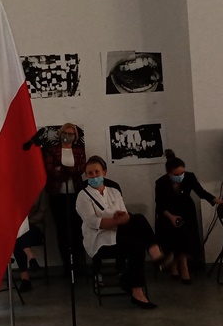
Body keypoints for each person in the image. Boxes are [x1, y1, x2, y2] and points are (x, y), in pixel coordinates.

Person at [76, 155, 172, 309]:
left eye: (97, 172)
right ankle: (146, 271)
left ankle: (136, 286)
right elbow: (93, 222)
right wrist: (115, 220)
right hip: (100, 241)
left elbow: (125, 215)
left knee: (138, 220)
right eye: (90, 173)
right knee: (137, 244)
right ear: (86, 176)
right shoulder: (83, 196)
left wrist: (120, 217)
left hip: (120, 233)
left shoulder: (114, 191)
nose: (94, 176)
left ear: (104, 172)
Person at [154, 149, 223, 283]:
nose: (180, 176)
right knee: (171, 238)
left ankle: (184, 268)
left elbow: (201, 192)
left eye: (182, 173)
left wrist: (218, 201)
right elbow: (160, 204)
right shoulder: (161, 182)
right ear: (168, 173)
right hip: (168, 213)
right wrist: (171, 217)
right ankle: (174, 266)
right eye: (176, 174)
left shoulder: (189, 177)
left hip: (186, 210)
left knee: (184, 237)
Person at [42, 123, 87, 273]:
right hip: (57, 194)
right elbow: (50, 170)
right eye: (65, 133)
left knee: (76, 228)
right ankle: (67, 264)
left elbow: (81, 169)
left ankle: (78, 263)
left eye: (71, 134)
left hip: (76, 194)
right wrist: (68, 171)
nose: (68, 136)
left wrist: (62, 169)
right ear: (61, 134)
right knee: (62, 229)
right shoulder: (52, 150)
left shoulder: (79, 150)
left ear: (75, 136)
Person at [13, 190, 48, 292]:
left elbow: (42, 211)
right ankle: (31, 257)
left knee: (18, 234)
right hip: (17, 227)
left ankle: (25, 279)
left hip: (35, 226)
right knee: (18, 234)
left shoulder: (40, 189)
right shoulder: (13, 189)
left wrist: (25, 223)